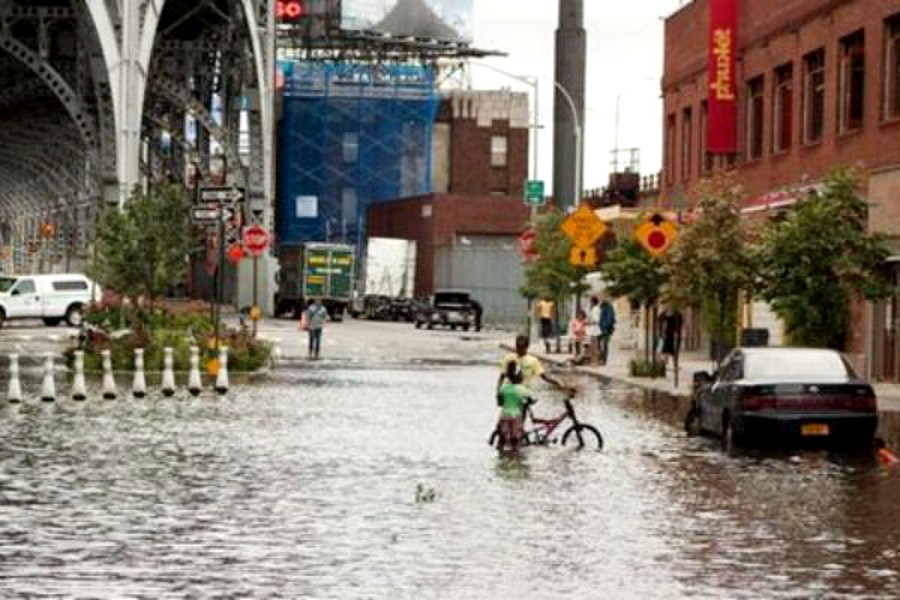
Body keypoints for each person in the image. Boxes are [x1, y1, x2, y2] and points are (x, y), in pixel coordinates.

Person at [498, 334, 568, 393]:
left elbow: (544, 377)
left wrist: (558, 383)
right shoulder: (509, 358)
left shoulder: (533, 361)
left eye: (521, 347)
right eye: (517, 347)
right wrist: (498, 391)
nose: (518, 350)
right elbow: (502, 376)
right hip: (510, 392)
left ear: (527, 347)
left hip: (524, 392)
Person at [496, 361, 529, 452]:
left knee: (502, 436)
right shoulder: (522, 389)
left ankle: (501, 452)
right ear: (519, 377)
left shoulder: (504, 388)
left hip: (504, 414)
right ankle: (515, 457)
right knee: (516, 438)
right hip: (516, 415)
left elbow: (500, 400)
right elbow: (532, 398)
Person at [598, 296, 616, 366]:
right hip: (599, 328)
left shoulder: (609, 307)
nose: (601, 300)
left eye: (602, 298)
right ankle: (601, 358)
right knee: (598, 344)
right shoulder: (600, 307)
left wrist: (605, 326)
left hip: (605, 329)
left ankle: (603, 360)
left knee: (604, 344)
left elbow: (610, 319)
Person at [586, 296, 601, 365]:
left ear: (593, 302)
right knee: (592, 346)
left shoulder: (596, 309)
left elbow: (596, 320)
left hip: (594, 330)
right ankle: (593, 361)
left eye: (590, 301)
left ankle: (596, 361)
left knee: (595, 346)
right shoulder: (592, 309)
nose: (590, 303)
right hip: (592, 330)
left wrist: (589, 322)